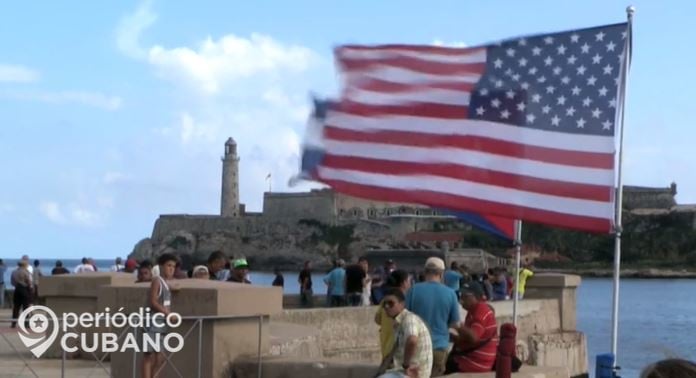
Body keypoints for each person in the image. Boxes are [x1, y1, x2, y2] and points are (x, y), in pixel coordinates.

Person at [405, 257, 460, 377]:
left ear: (425, 272)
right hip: (439, 346)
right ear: (441, 273)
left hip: (417, 348)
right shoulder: (450, 294)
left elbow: (405, 318)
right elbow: (454, 323)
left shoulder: (413, 290)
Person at [376, 288, 433, 378]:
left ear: (402, 304)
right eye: (384, 304)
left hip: (414, 372)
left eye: (391, 303)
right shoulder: (399, 322)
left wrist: (406, 365)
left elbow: (412, 340)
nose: (386, 307)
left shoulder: (409, 319)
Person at [446, 282, 499, 373]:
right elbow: (468, 338)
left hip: (474, 362)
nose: (461, 300)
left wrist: (457, 326)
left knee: (440, 367)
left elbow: (474, 337)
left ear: (474, 297)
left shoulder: (481, 310)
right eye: (460, 296)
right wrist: (453, 337)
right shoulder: (473, 311)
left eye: (464, 296)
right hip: (473, 357)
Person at [141, 253, 178, 378]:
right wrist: (168, 314)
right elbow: (153, 302)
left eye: (173, 266)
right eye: (168, 265)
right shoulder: (157, 281)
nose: (171, 269)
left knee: (160, 357)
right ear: (161, 266)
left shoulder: (165, 283)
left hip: (161, 324)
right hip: (153, 323)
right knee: (149, 356)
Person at [375, 270, 411, 360]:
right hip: (397, 350)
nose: (410, 283)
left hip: (386, 346)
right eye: (409, 281)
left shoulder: (385, 300)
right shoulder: (404, 301)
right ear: (404, 283)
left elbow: (377, 319)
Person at [11, 261, 33, 328]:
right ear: (24, 265)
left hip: (17, 289)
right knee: (25, 307)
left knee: (16, 307)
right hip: (24, 289)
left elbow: (12, 282)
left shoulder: (14, 272)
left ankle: (13, 323)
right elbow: (29, 281)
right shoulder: (26, 272)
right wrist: (30, 288)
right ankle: (26, 323)